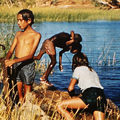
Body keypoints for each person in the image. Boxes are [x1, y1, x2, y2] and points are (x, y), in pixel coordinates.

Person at [5, 9, 41, 103]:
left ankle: (27, 110)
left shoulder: (36, 35)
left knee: (27, 93)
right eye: (17, 20)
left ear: (29, 20)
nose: (18, 23)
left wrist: (13, 61)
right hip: (16, 64)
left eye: (21, 20)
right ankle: (19, 107)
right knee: (18, 93)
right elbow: (11, 50)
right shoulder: (18, 34)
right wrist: (7, 59)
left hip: (27, 65)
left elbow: (30, 56)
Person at [57, 53, 107, 120]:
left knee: (60, 106)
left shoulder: (78, 69)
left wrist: (73, 95)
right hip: (102, 97)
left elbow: (70, 88)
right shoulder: (92, 70)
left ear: (75, 62)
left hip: (90, 95)